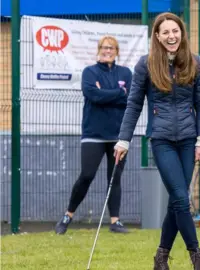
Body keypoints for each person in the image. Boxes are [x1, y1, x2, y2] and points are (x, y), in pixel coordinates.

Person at [113, 12, 200, 270]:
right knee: (180, 198)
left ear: (182, 34)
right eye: (165, 32)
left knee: (176, 201)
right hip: (161, 140)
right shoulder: (145, 65)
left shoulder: (195, 62)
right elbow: (133, 105)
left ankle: (161, 257)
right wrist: (123, 140)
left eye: (175, 31)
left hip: (189, 140)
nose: (171, 36)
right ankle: (197, 257)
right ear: (157, 36)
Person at [55, 35, 132, 235]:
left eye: (112, 48)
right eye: (105, 47)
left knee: (115, 177)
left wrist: (109, 93)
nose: (108, 51)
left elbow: (129, 98)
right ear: (99, 50)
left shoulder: (126, 72)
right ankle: (67, 216)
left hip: (118, 136)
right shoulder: (90, 72)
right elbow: (93, 96)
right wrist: (118, 92)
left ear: (117, 52)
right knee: (87, 175)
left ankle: (115, 222)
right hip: (93, 134)